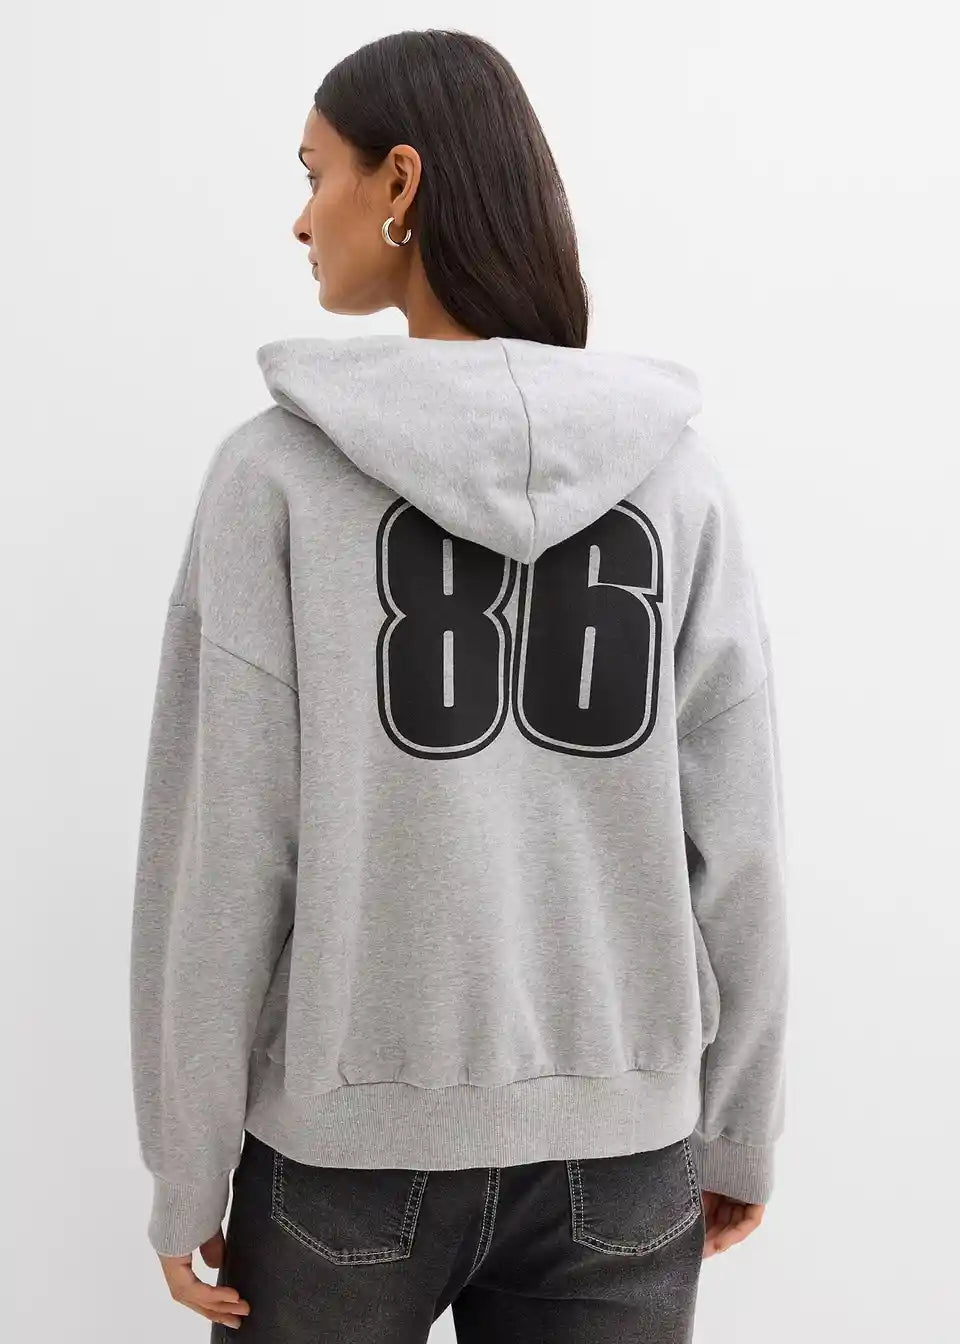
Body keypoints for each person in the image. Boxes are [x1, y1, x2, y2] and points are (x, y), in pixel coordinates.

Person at [128, 27, 789, 1344]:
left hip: (345, 1153)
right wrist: (740, 1128)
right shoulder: (679, 480)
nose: (300, 217)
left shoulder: (275, 478)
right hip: (623, 1155)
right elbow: (743, 841)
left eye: (316, 172)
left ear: (400, 181)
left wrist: (185, 1167)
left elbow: (225, 849)